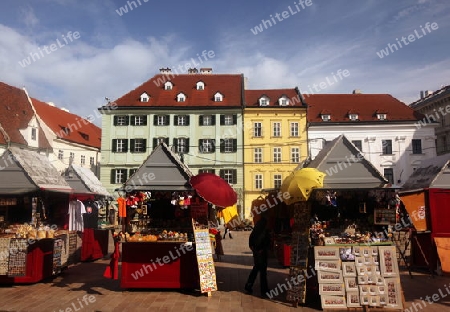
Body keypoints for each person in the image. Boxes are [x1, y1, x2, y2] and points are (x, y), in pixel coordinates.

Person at [245, 213, 270, 298]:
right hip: (261, 252)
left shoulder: (258, 225)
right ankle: (264, 290)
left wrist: (253, 248)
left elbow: (251, 237)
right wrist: (261, 249)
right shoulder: (264, 226)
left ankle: (249, 285)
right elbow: (264, 239)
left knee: (256, 268)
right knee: (262, 271)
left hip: (256, 250)